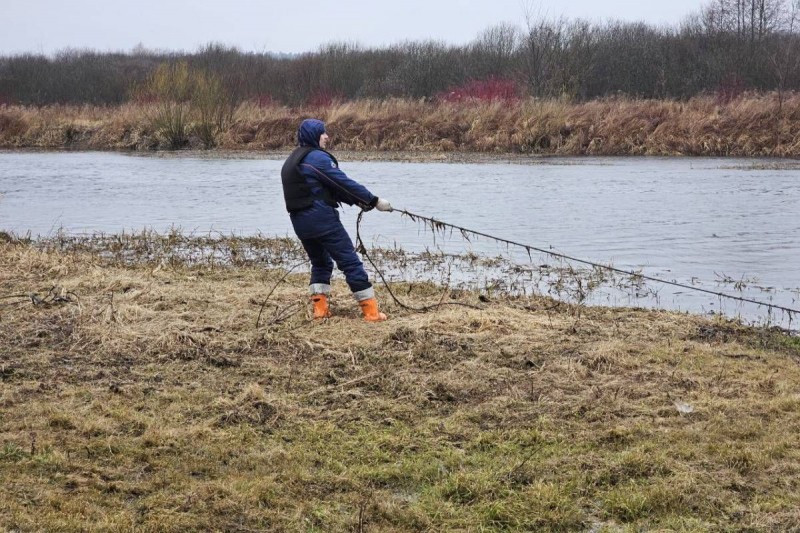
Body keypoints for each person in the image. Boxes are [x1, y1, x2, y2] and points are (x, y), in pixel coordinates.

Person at [281, 118, 392, 321]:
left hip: (301, 223)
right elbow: (343, 183)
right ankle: (371, 312)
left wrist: (360, 203)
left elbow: (327, 190)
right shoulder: (317, 158)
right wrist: (373, 200)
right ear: (315, 136)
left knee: (321, 263)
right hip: (322, 220)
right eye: (323, 133)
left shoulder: (293, 159)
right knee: (349, 261)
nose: (327, 137)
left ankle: (320, 311)